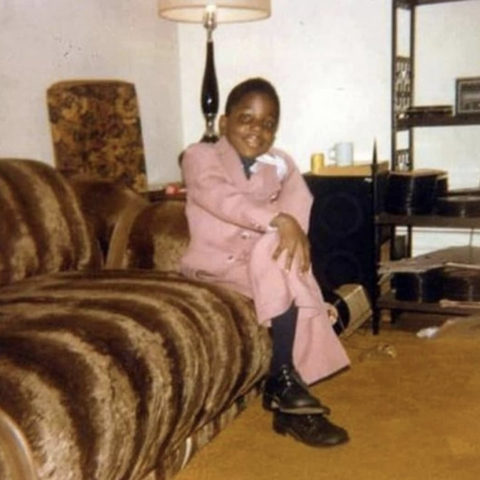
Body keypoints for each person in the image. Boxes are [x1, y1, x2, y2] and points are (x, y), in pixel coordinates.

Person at [179, 77, 350, 447]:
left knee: (280, 254)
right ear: (224, 122)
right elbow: (222, 199)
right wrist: (277, 221)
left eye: (268, 123)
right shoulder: (199, 156)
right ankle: (286, 381)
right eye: (246, 119)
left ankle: (285, 384)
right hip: (217, 270)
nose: (257, 130)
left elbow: (299, 211)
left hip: (264, 268)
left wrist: (290, 230)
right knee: (280, 253)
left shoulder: (280, 164)